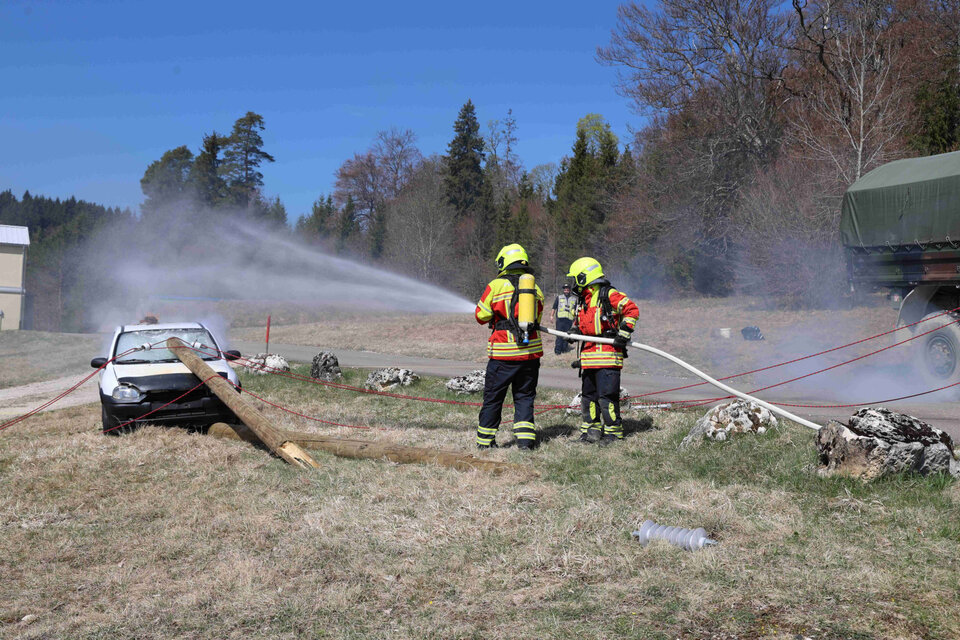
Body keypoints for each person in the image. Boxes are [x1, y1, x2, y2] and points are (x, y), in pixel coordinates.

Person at [474, 243, 545, 450]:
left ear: (504, 262)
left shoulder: (495, 285)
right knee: (524, 398)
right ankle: (525, 443)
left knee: (493, 399)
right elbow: (537, 318)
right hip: (530, 355)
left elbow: (480, 315)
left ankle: (485, 442)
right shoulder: (535, 288)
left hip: (503, 356)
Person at [567, 257, 639, 445]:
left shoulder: (609, 294)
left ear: (584, 278)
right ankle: (590, 433)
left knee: (606, 398)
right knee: (588, 398)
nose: (574, 284)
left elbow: (631, 310)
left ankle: (613, 434)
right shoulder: (584, 300)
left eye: (576, 279)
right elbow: (583, 323)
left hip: (608, 356)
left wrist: (623, 332)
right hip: (589, 358)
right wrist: (574, 331)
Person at [550, 283, 577, 355]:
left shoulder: (574, 299)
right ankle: (558, 351)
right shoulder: (559, 297)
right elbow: (554, 307)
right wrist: (551, 316)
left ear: (570, 290)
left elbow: (576, 310)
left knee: (567, 335)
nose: (566, 290)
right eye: (565, 289)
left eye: (567, 289)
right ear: (563, 290)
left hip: (569, 320)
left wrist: (576, 319)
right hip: (560, 319)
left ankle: (564, 349)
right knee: (559, 335)